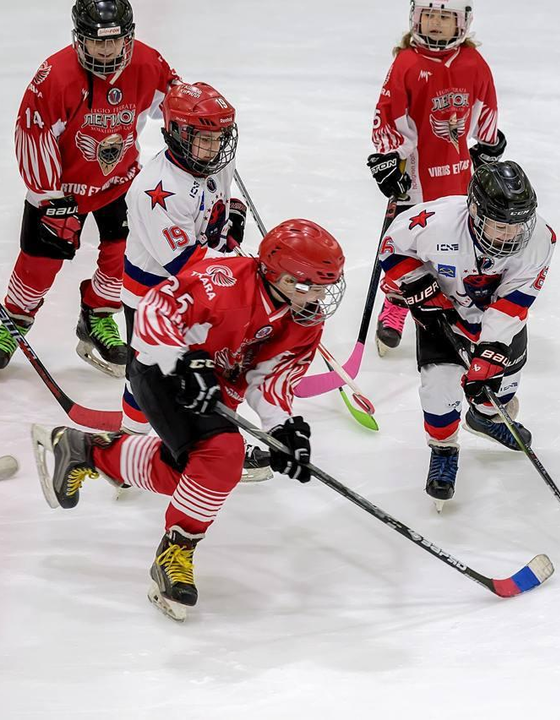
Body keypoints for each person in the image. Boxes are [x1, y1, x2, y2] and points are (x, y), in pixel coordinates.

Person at [32, 220, 346, 621]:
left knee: (191, 474)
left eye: (325, 286)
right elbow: (153, 311)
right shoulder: (223, 282)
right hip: (162, 370)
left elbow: (270, 378)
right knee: (223, 454)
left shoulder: (304, 319)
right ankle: (176, 551)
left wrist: (282, 429)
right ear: (277, 272)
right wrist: (181, 359)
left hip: (210, 386)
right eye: (310, 285)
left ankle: (86, 452)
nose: (318, 297)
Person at [0, 0, 179, 376]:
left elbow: (175, 102)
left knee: (124, 251)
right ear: (79, 38)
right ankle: (12, 319)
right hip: (63, 187)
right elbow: (33, 133)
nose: (107, 50)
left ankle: (96, 316)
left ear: (128, 37)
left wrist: (195, 128)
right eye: (96, 42)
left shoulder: (148, 64)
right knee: (42, 260)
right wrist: (49, 198)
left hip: (119, 180)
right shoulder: (55, 75)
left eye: (114, 42)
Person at [378, 160, 554, 511]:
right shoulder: (435, 223)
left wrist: (489, 352)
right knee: (438, 389)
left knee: (498, 390)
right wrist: (416, 284)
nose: (511, 235)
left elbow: (513, 302)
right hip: (441, 312)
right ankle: (443, 450)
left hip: (496, 321)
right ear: (474, 211)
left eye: (518, 225)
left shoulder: (540, 239)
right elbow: (392, 248)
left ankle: (484, 418)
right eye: (500, 225)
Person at [367, 0, 507, 355]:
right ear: (415, 18)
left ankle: (454, 301)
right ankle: (397, 302)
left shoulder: (473, 63)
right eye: (428, 15)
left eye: (445, 17)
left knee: (456, 241)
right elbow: (389, 114)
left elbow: (485, 108)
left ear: (462, 23)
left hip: (459, 173)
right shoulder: (407, 64)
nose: (434, 23)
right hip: (415, 175)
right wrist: (388, 158)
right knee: (406, 243)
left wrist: (488, 145)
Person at [120, 81, 242, 434]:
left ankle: (212, 437)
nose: (213, 147)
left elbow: (223, 197)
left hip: (198, 288)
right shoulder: (155, 190)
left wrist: (233, 216)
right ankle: (129, 438)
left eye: (220, 137)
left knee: (211, 369)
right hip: (155, 297)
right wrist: (249, 271)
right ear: (174, 132)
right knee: (147, 372)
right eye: (203, 138)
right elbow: (185, 264)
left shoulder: (213, 159)